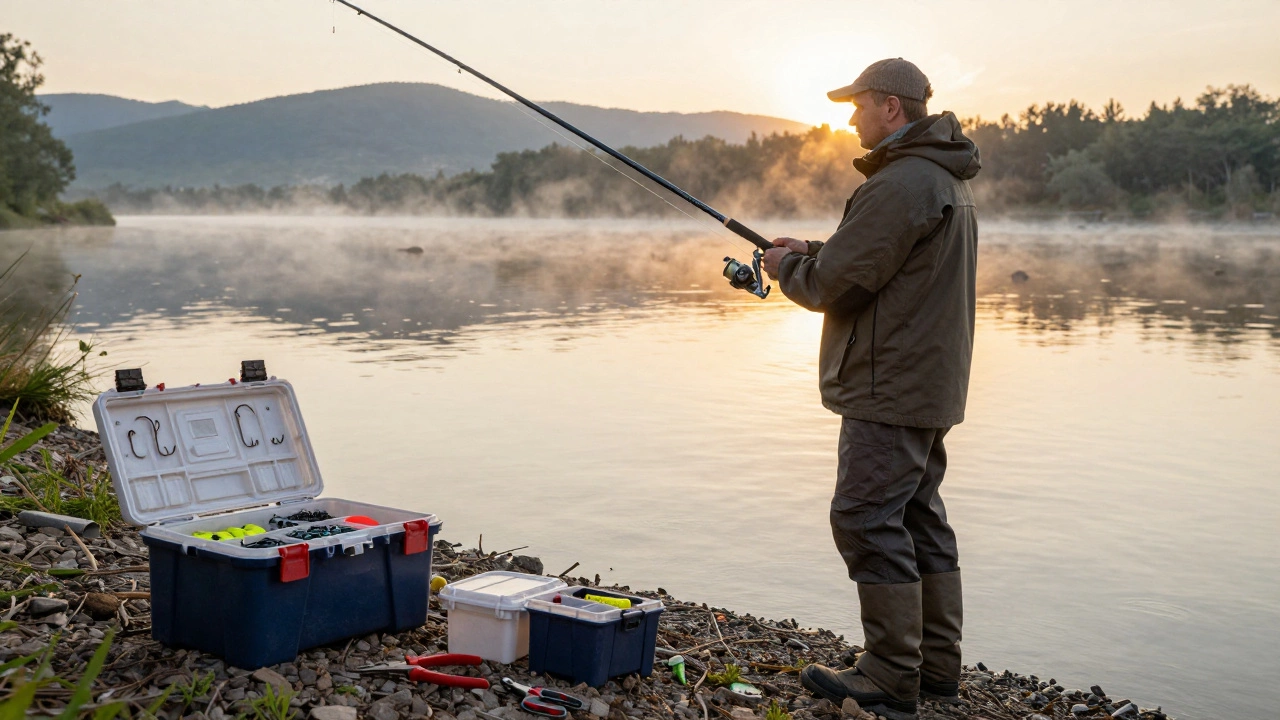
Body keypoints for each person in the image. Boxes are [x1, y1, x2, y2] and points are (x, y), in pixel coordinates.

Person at [759, 58, 981, 720]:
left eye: (858, 105)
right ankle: (936, 668)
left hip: (891, 384)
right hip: (928, 382)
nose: (848, 117)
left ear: (891, 108)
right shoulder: (938, 176)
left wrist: (786, 266)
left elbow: (835, 284)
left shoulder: (902, 181)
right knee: (918, 516)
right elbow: (878, 256)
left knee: (864, 515)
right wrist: (813, 245)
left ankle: (889, 673)